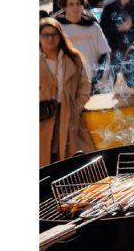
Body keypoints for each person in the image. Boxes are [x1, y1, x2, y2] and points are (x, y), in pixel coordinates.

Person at [39, 18, 95, 166]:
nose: (50, 39)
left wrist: (75, 108)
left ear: (61, 36)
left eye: (54, 34)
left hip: (67, 115)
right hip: (42, 118)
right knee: (44, 163)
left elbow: (85, 86)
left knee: (71, 162)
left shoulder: (73, 58)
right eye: (45, 35)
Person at [52, 0, 109, 86]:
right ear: (64, 7)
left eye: (78, 3)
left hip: (94, 83)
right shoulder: (57, 29)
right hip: (68, 84)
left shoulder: (93, 26)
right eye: (71, 4)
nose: (75, 7)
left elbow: (104, 53)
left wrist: (99, 78)